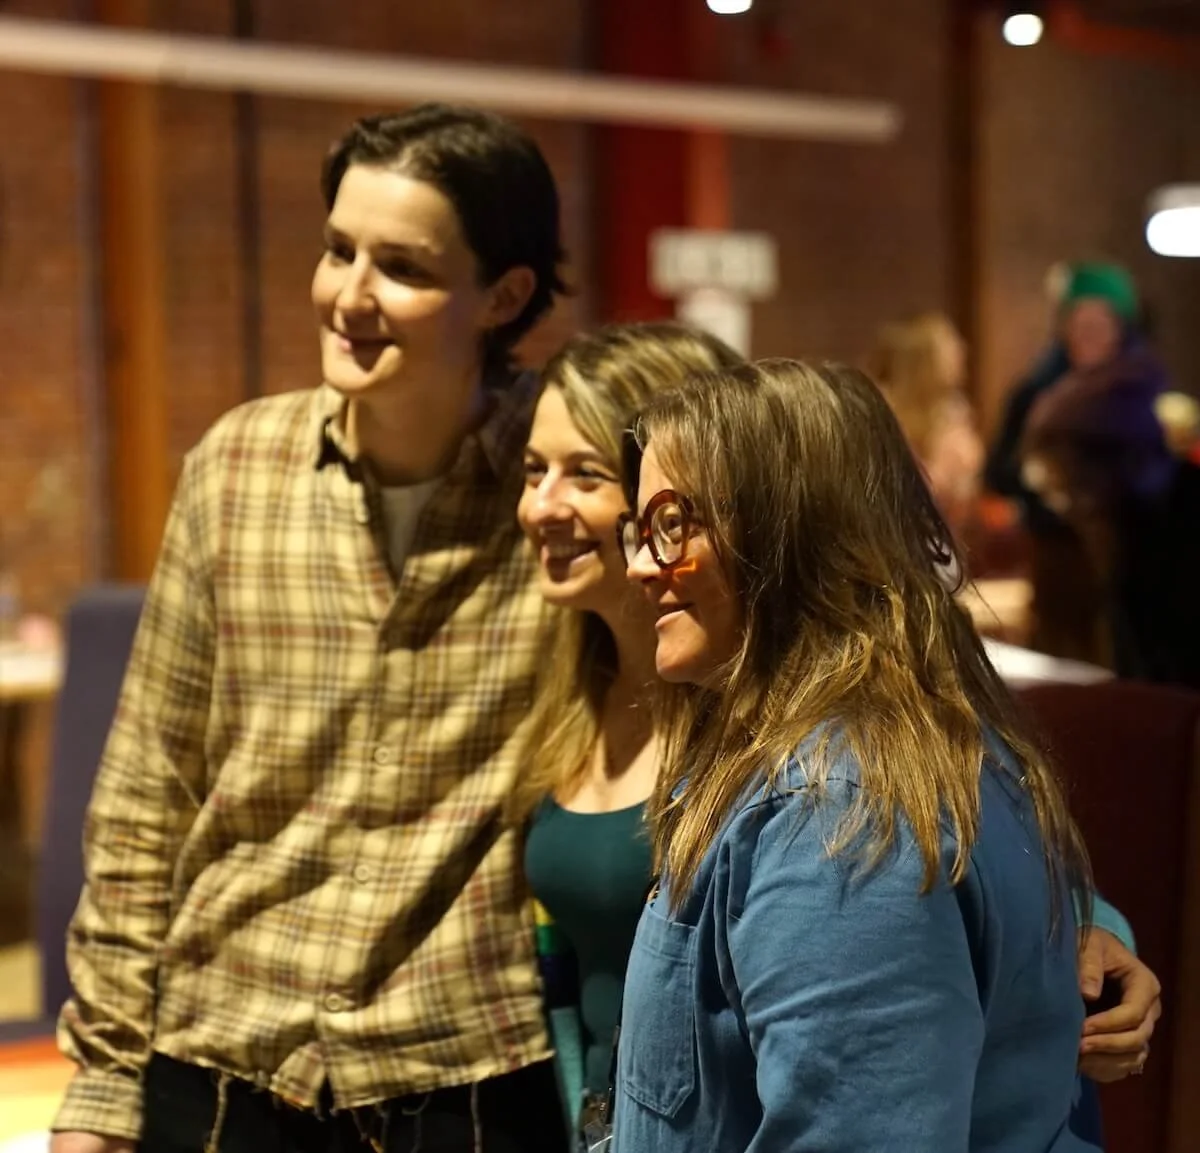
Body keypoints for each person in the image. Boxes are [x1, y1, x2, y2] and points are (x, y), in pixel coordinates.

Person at [52, 104, 571, 1153]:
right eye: (338, 251)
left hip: (466, 1072)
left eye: (403, 267)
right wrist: (104, 1085)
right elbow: (148, 791)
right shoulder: (237, 466)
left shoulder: (563, 490)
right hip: (222, 1057)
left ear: (504, 295)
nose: (350, 296)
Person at [613, 358, 1140, 1151]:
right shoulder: (903, 744)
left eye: (672, 525)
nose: (639, 565)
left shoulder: (834, 818)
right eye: (641, 529)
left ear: (787, 534)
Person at [509, 322, 744, 1136]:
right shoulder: (564, 683)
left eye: (584, 473)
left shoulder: (755, 699)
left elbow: (952, 821)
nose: (541, 506)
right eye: (535, 470)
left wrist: (1095, 927)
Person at [865, 311, 984, 540]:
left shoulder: (953, 409)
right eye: (950, 344)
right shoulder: (880, 413)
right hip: (898, 544)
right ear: (923, 359)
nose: (961, 350)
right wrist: (944, 472)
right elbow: (888, 495)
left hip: (944, 540)